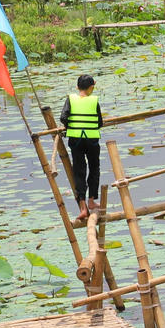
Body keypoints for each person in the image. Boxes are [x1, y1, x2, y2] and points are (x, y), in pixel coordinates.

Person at [61, 74, 103, 222]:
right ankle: (92, 200)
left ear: (77, 87)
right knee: (94, 168)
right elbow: (99, 122)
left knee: (79, 171)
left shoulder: (70, 99)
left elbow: (63, 117)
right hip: (91, 140)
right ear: (91, 87)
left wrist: (70, 126)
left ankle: (83, 207)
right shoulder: (94, 101)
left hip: (76, 140)